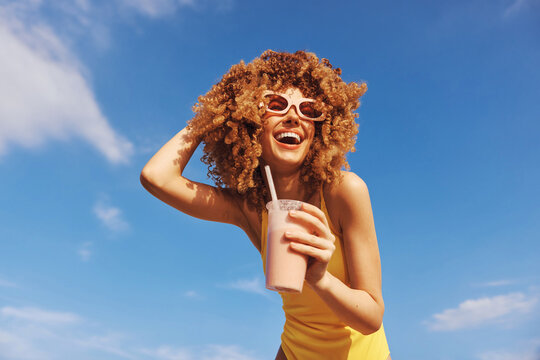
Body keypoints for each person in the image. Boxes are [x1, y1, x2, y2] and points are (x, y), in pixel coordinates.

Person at [140, 50, 391, 360]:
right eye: (276, 104)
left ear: (319, 130)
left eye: (309, 109)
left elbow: (371, 317)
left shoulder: (343, 192)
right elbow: (156, 177)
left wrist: (320, 279)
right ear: (250, 120)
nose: (294, 116)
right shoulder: (249, 207)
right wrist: (213, 114)